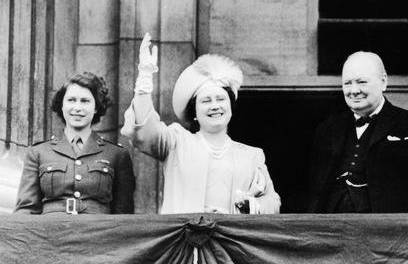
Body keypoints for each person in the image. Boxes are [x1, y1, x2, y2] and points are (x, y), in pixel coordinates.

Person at [122, 34, 280, 214]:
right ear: (194, 113)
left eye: (220, 99)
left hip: (230, 240)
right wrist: (144, 79)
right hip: (185, 239)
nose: (215, 106)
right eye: (206, 101)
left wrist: (251, 205)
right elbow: (143, 132)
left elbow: (273, 202)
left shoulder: (252, 156)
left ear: (230, 106)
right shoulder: (177, 142)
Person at [308, 51, 408, 213]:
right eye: (347, 83)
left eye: (361, 82)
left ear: (383, 82)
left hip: (389, 232)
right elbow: (315, 187)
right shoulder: (327, 129)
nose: (354, 90)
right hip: (332, 229)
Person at [15, 73, 135, 214]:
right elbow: (25, 212)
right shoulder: (38, 153)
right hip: (51, 233)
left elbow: (124, 217)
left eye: (85, 101)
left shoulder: (117, 155)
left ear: (96, 107)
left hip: (97, 234)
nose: (77, 107)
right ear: (61, 105)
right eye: (71, 100)